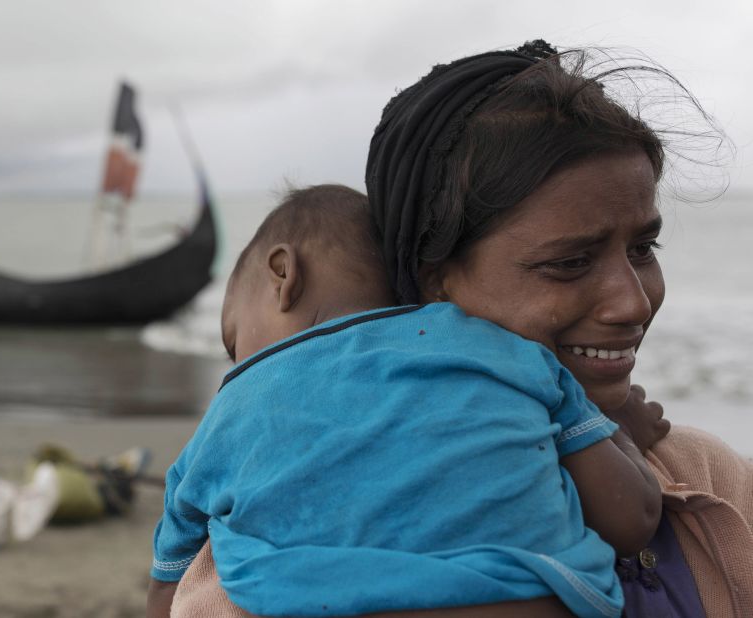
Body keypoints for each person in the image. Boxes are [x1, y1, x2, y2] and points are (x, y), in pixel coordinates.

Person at [166, 41, 753, 617]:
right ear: (433, 280)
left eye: (644, 247)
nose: (633, 301)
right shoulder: (252, 581)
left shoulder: (704, 473)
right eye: (568, 262)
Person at [148, 184, 663, 618]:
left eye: (232, 341)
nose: (239, 364)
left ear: (283, 275)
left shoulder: (234, 405)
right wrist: (620, 434)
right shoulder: (507, 352)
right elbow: (630, 521)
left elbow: (169, 586)